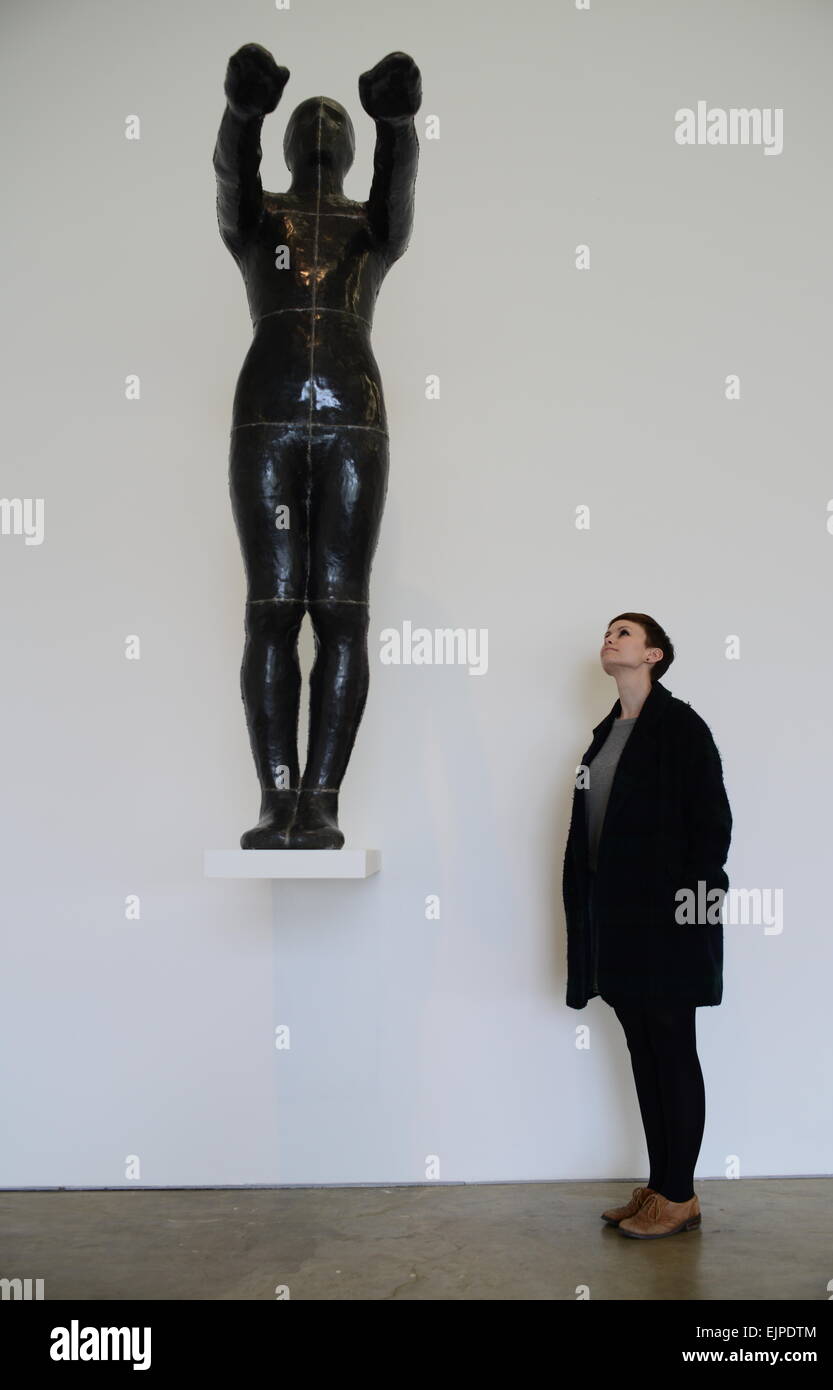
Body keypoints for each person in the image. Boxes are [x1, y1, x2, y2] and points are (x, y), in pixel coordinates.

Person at [213, 43, 421, 848]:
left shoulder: (371, 230)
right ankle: (274, 800)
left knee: (338, 609)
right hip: (266, 411)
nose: (327, 129)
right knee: (272, 608)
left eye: (343, 123)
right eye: (315, 118)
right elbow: (231, 178)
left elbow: (399, 192)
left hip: (351, 415)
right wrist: (243, 112)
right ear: (292, 143)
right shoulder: (260, 220)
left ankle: (321, 799)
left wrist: (400, 122)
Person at [562, 612, 733, 1238]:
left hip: (668, 920)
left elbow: (712, 829)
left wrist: (688, 914)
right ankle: (662, 1185)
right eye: (608, 631)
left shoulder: (681, 728)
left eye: (625, 633)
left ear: (655, 655)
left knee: (673, 1048)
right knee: (644, 1050)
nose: (610, 638)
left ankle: (681, 1195)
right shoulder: (606, 734)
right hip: (619, 920)